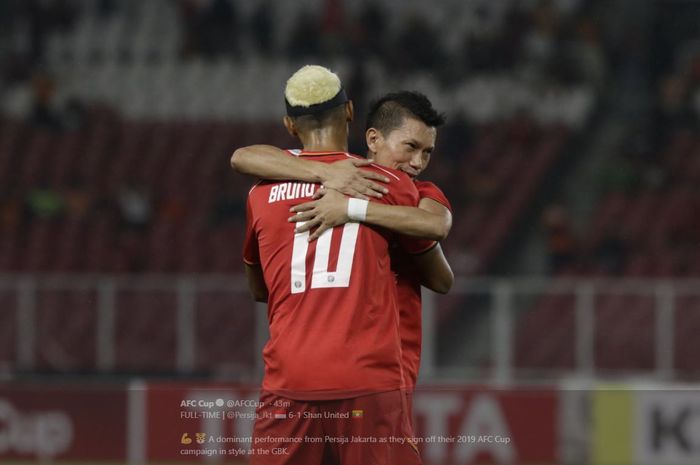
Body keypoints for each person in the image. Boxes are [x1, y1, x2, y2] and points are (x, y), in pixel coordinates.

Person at [237, 65, 431, 465]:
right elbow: (438, 272)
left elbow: (259, 290)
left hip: (290, 376)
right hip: (367, 374)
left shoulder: (260, 194)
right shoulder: (386, 183)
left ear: (290, 125)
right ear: (349, 112)